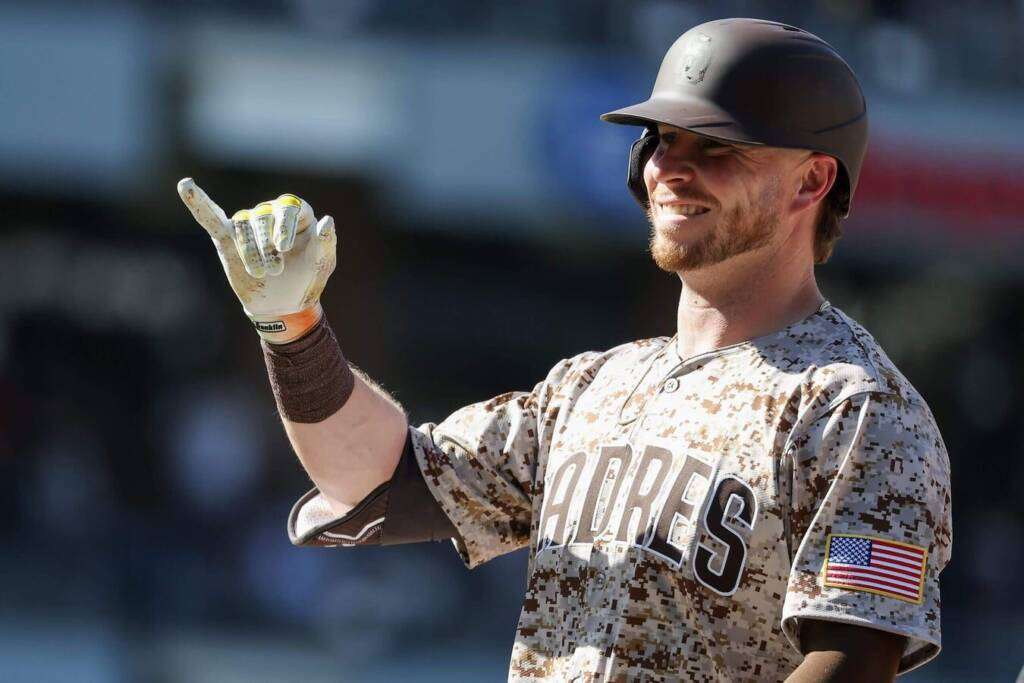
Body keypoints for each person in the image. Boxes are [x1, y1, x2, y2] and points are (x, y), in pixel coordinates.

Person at [178, 18, 951, 683]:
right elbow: (376, 478)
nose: (671, 167)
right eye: (662, 139)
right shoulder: (591, 388)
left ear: (811, 181)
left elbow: (853, 661)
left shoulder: (855, 411)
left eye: (717, 146)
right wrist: (293, 328)